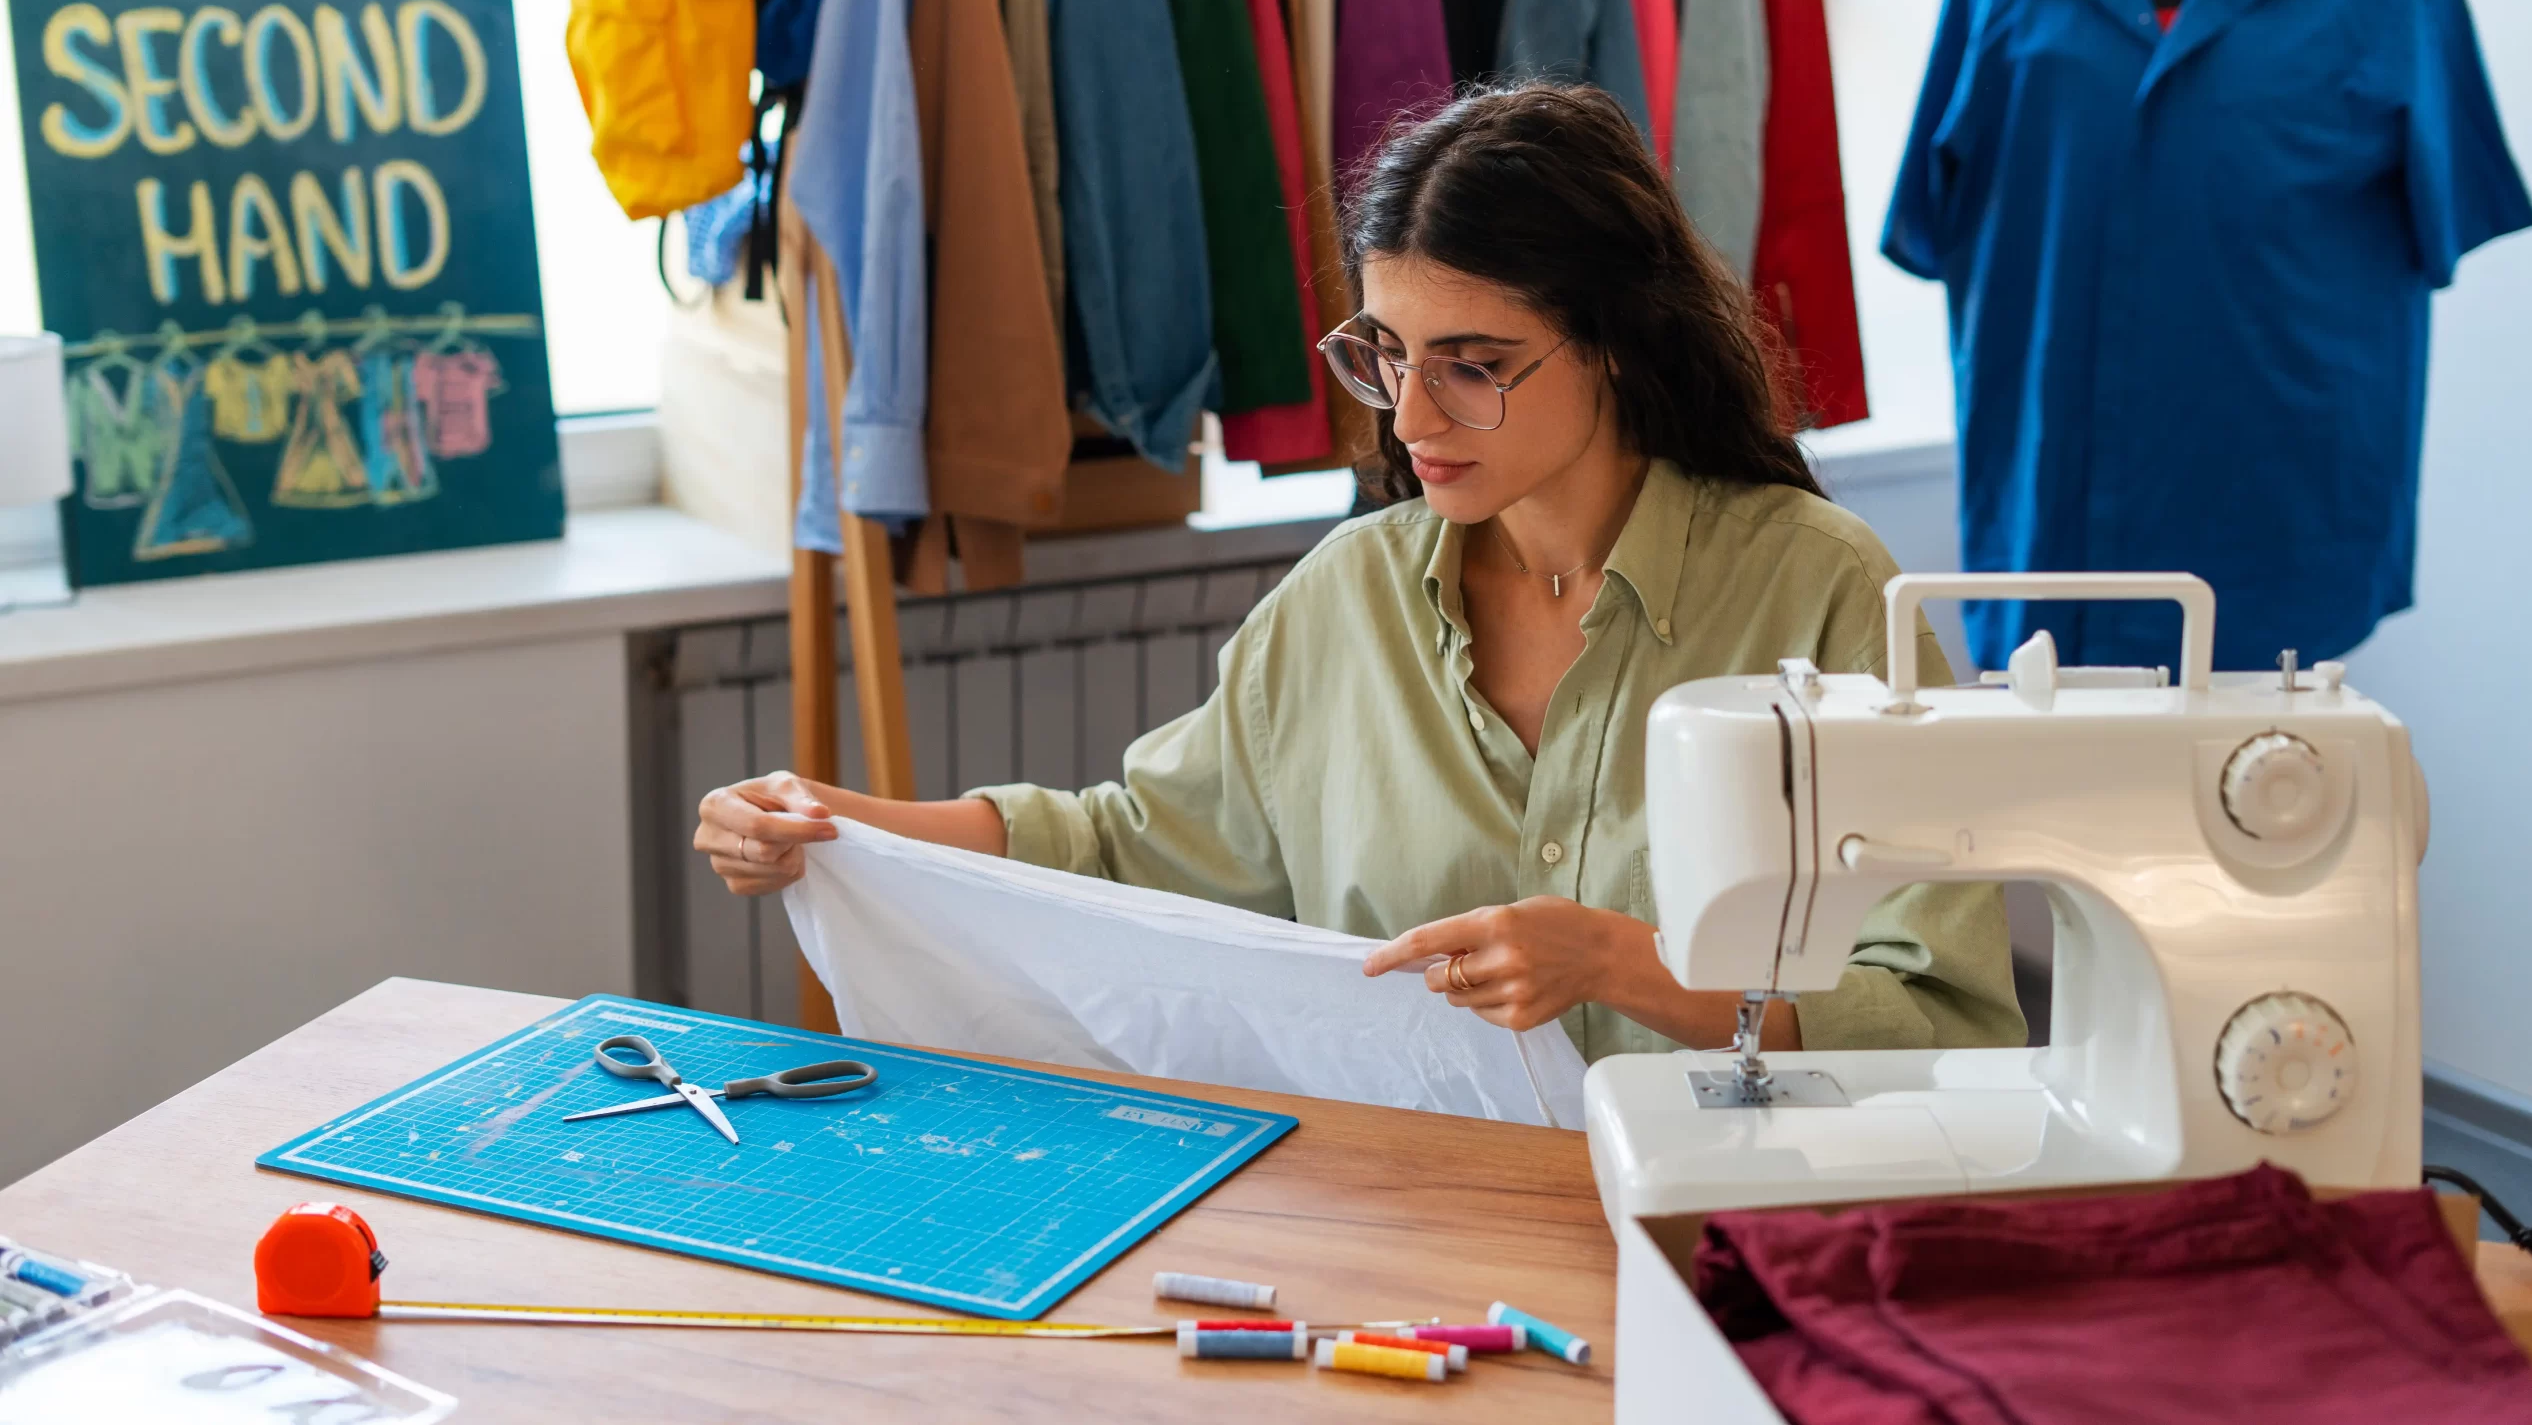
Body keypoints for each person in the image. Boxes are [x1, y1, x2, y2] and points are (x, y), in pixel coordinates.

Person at [697, 82, 2024, 1059]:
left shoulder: (1826, 595)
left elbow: (1943, 1021)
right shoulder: (1344, 603)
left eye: (1476, 364)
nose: (1409, 416)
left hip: (1729, 1246)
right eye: (1386, 350)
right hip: (1411, 1231)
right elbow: (1124, 842)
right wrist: (839, 822)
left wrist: (1622, 961)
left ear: (1615, 341)